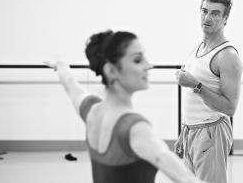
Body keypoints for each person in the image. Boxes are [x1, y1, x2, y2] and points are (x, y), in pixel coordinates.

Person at [45, 30, 204, 183]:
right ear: (111, 71)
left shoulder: (91, 110)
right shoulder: (136, 129)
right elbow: (186, 179)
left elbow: (70, 85)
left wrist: (60, 65)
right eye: (137, 60)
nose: (149, 65)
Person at [175, 0, 242, 183]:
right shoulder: (197, 48)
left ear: (225, 19)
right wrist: (184, 132)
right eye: (204, 11)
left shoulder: (227, 56)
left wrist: (196, 85)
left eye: (215, 13)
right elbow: (193, 101)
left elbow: (230, 107)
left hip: (212, 131)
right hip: (192, 131)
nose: (207, 17)